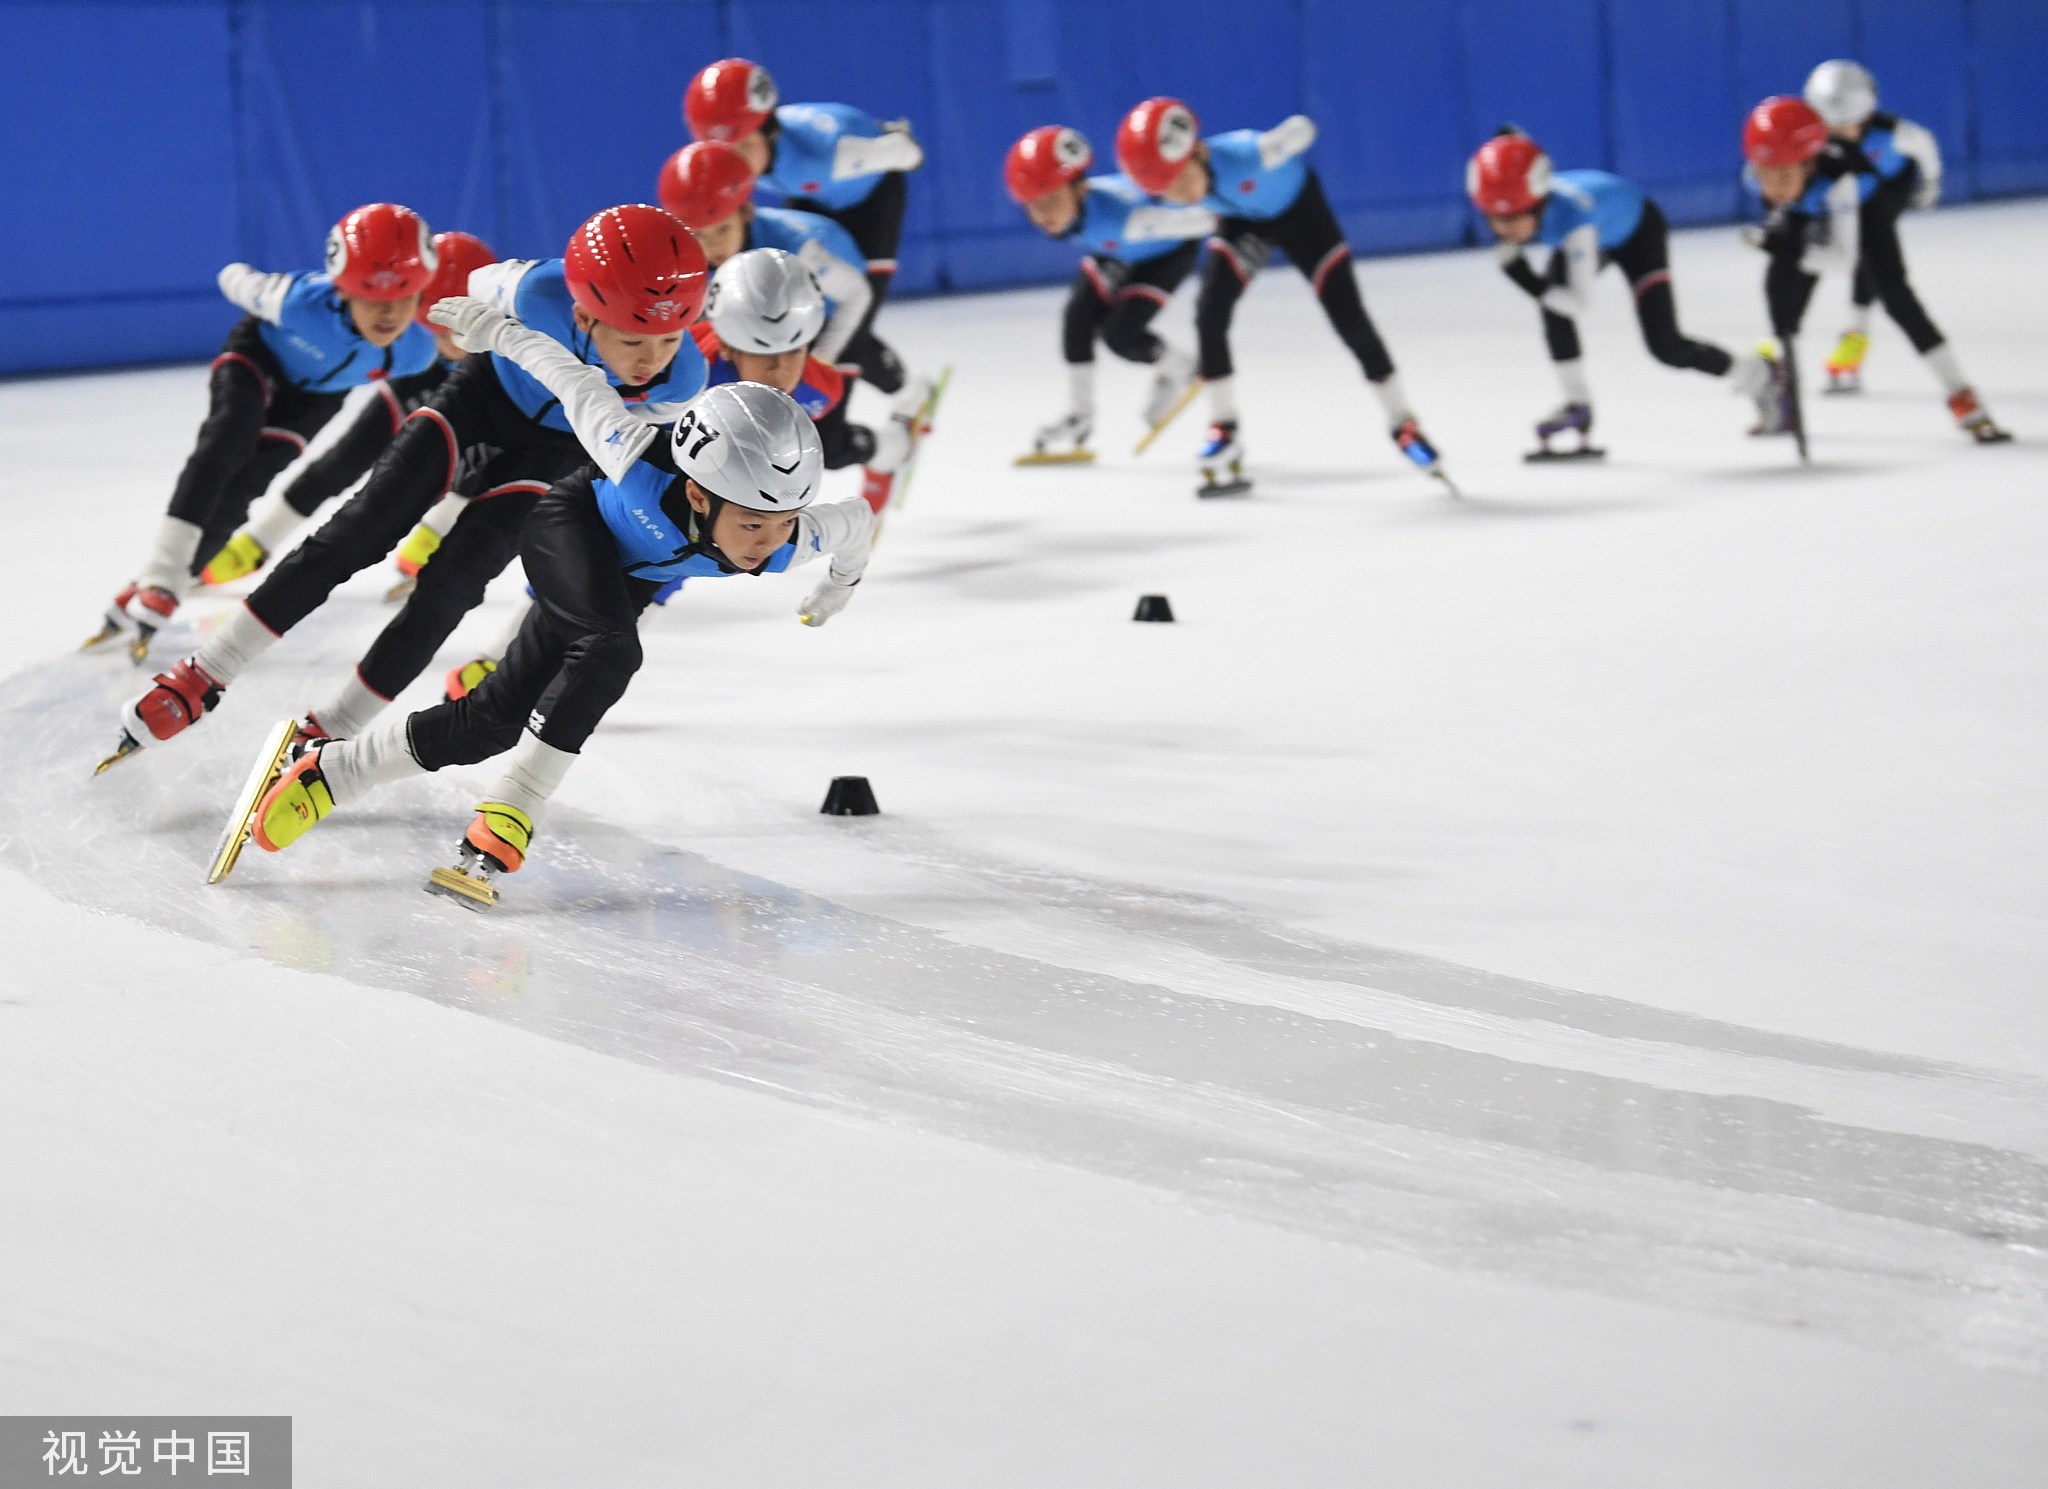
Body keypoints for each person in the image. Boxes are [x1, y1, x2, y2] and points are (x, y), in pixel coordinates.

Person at [238, 313, 871, 910]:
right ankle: (512, 811)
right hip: (566, 527)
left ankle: (335, 771)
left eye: (786, 522)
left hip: (623, 581)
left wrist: (837, 587)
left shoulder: (788, 540)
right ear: (698, 496)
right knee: (613, 650)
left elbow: (857, 523)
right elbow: (571, 376)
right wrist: (496, 328)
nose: (767, 545)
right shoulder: (631, 455)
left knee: (490, 723)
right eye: (754, 524)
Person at [102, 205, 710, 768]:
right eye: (632, 339)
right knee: (361, 528)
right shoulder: (534, 290)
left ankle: (337, 725)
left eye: (670, 336)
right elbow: (474, 286)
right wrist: (476, 330)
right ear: (581, 313)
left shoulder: (684, 377)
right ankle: (205, 671)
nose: (651, 359)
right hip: (482, 399)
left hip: (551, 448)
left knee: (453, 585)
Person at [87, 204, 441, 659]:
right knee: (229, 437)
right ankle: (162, 571)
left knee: (242, 493)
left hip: (311, 401)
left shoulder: (414, 353)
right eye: (371, 296)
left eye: (406, 296)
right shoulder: (297, 302)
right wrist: (260, 288)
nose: (389, 313)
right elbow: (232, 276)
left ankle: (156, 587)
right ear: (343, 290)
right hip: (259, 359)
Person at [1115, 96, 1445, 493]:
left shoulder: (1246, 154)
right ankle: (1224, 427)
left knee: (1349, 320)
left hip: (1303, 216)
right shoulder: (1183, 184)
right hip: (1245, 222)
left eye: (1183, 181)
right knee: (1209, 314)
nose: (1182, 194)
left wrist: (1286, 139)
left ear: (1199, 151)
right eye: (1166, 191)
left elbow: (1303, 130)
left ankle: (1402, 423)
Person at [198, 231, 499, 586]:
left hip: (479, 391)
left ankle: (433, 533)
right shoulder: (416, 353)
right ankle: (260, 540)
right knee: (345, 462)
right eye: (436, 328)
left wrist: (434, 531)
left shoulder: (504, 348)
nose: (449, 342)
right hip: (419, 386)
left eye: (460, 327)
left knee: (484, 459)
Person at [1465, 128, 1776, 456]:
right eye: (1495, 220)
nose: (1506, 230)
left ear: (1539, 203)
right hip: (1604, 225)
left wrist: (1523, 277)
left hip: (1638, 232)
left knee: (1665, 346)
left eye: (1515, 219)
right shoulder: (1527, 203)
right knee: (1551, 300)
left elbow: (1578, 302)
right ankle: (1577, 403)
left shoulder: (1574, 222)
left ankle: (1760, 374)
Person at [1741, 95, 2008, 444]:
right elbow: (1787, 220)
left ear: (1808, 164)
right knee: (1779, 288)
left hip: (1866, 213)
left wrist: (1792, 249)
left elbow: (1842, 259)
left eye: (1782, 177)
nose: (1772, 188)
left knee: (1896, 297)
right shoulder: (1766, 170)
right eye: (1764, 177)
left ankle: (1960, 393)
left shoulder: (1842, 181)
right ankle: (1779, 386)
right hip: (1811, 208)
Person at [684, 57, 922, 394]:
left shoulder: (824, 159)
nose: (732, 163)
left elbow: (910, 152)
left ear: (770, 132)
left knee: (853, 314)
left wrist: (818, 364)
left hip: (871, 200)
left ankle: (904, 390)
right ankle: (893, 375)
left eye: (743, 147)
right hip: (811, 193)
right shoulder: (755, 155)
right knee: (797, 299)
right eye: (724, 149)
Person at [1002, 125, 1214, 461]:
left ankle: (1184, 368)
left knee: (1120, 336)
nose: (1044, 216)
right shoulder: (1076, 210)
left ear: (1081, 189)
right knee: (1077, 319)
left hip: (1164, 253)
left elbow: (1203, 221)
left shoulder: (1123, 219)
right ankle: (1079, 417)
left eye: (1052, 201)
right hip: (1115, 252)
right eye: (1032, 206)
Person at [1801, 60, 1961, 403]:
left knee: (1885, 278)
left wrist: (1930, 183)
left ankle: (1857, 341)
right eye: (1835, 125)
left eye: (1852, 124)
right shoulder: (1819, 142)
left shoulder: (1892, 133)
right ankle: (1854, 342)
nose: (1845, 132)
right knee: (1858, 260)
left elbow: (1925, 145)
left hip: (1886, 197)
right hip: (1850, 203)